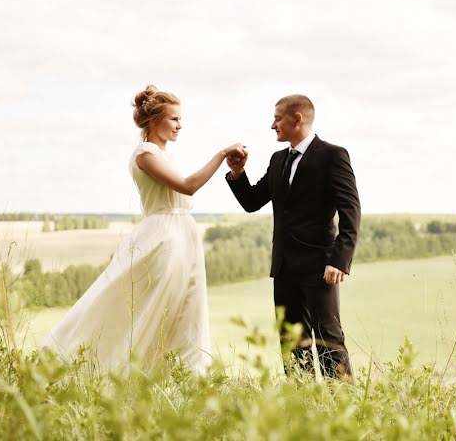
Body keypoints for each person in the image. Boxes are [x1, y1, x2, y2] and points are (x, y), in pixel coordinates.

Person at [40, 85, 245, 373]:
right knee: (154, 308)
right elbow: (188, 186)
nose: (179, 125)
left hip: (183, 235)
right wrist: (221, 154)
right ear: (154, 120)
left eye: (179, 119)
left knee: (187, 309)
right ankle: (125, 370)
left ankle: (187, 377)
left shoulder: (163, 155)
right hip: (164, 237)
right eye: (174, 118)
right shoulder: (145, 155)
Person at [225, 94, 361, 379]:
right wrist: (238, 173)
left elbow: (351, 212)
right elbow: (252, 202)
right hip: (284, 268)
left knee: (328, 341)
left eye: (277, 118)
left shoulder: (333, 155)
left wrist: (339, 260)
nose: (272, 124)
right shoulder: (278, 160)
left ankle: (346, 411)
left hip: (320, 267)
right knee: (292, 345)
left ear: (297, 118)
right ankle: (304, 410)